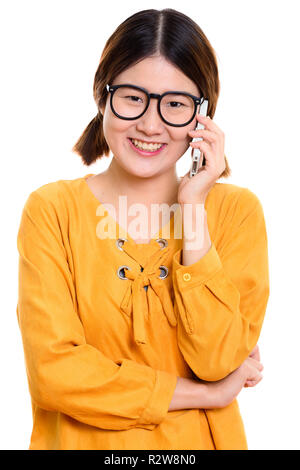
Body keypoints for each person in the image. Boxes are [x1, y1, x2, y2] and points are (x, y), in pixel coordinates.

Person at [16, 8, 269, 450]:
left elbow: (217, 358)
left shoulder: (237, 213)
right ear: (102, 96)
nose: (151, 125)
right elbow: (53, 375)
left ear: (202, 115)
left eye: (175, 104)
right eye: (133, 97)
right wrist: (205, 394)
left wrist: (193, 209)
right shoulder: (51, 210)